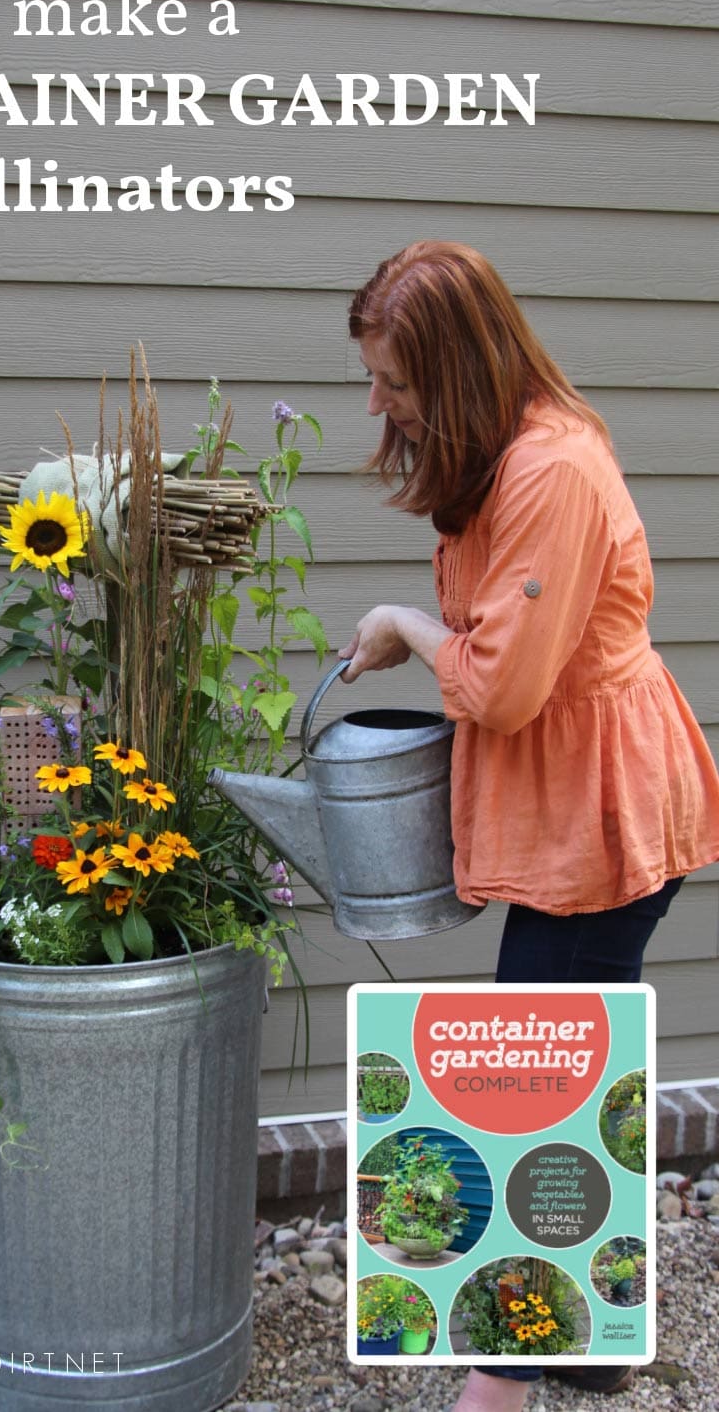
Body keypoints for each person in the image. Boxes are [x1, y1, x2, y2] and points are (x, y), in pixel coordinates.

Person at [337, 241, 719, 1410]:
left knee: (528, 1083)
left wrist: (404, 619)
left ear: (453, 372)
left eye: (395, 382)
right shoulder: (507, 456)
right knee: (576, 1066)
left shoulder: (553, 470)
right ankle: (598, 1344)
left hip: (598, 818)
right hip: (574, 809)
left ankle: (499, 1380)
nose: (377, 404)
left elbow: (500, 688)